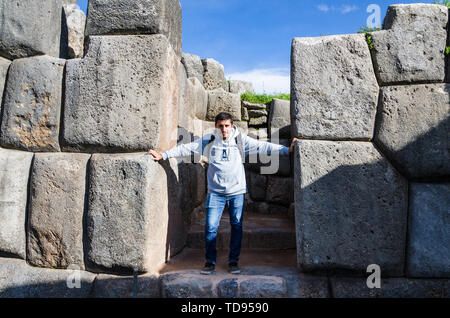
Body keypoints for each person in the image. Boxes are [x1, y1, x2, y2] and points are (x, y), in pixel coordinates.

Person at [147, 112, 298, 275]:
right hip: (215, 193)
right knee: (211, 228)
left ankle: (233, 262)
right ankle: (209, 262)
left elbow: (264, 146)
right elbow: (187, 147)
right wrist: (164, 155)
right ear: (216, 127)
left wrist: (286, 149)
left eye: (227, 126)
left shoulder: (240, 140)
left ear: (232, 126)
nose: (224, 129)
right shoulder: (210, 141)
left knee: (237, 227)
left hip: (237, 192)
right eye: (220, 126)